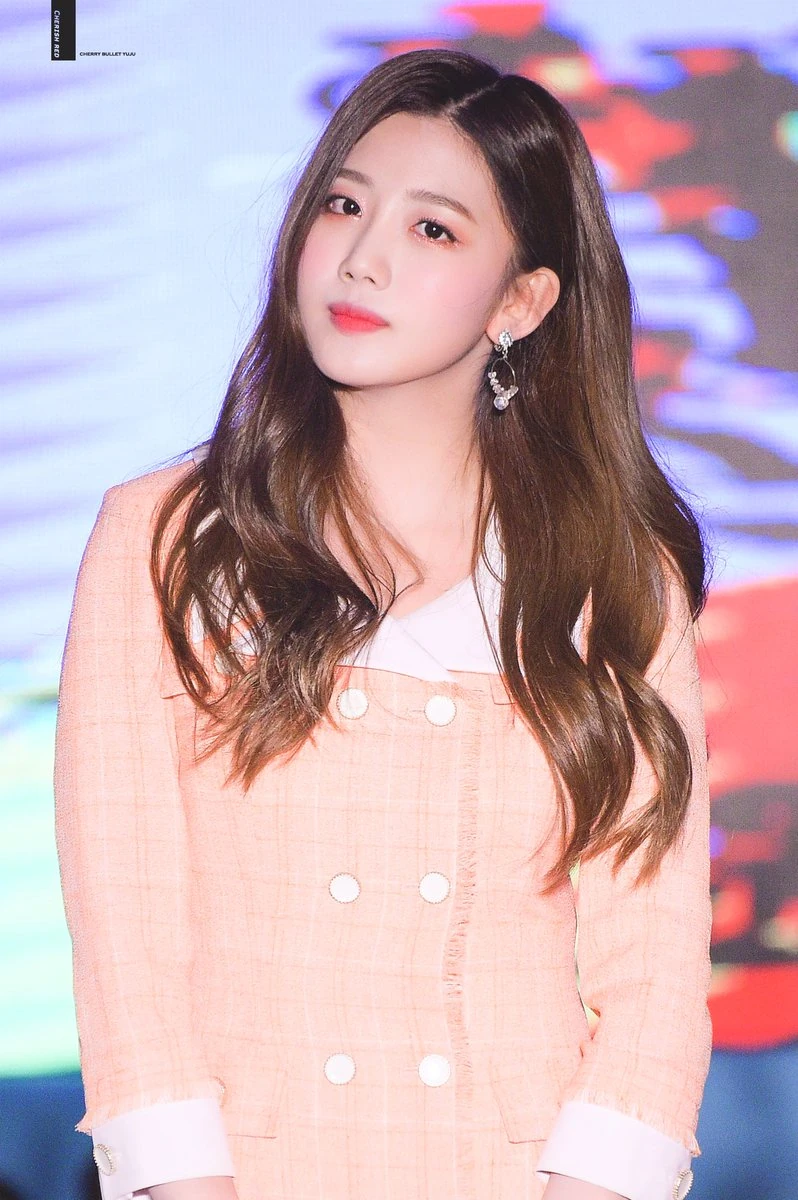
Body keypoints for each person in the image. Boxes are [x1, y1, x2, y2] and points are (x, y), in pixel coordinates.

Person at [53, 48, 714, 1200]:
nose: (362, 257)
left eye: (433, 229)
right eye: (344, 205)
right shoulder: (167, 540)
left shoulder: (609, 579)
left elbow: (653, 971)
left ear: (521, 303)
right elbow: (127, 941)